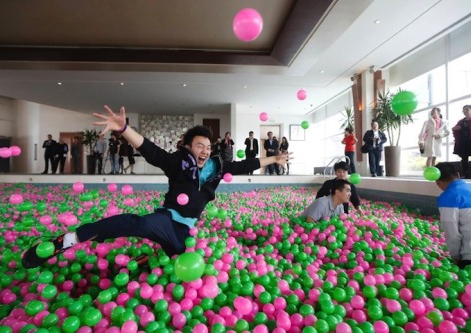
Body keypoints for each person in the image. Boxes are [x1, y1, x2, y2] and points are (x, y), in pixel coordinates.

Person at [21, 105, 291, 269]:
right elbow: (151, 151)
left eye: (208, 147)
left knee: (178, 263)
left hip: (185, 230)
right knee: (139, 224)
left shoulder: (218, 169)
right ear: (188, 146)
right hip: (167, 219)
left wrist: (274, 159)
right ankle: (67, 241)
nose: (205, 151)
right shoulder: (178, 163)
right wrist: (124, 128)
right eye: (200, 145)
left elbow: (247, 164)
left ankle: (148, 261)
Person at [434, 162, 471, 268]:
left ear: (437, 182)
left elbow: (452, 233)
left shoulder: (449, 197)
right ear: (459, 175)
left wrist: (455, 257)